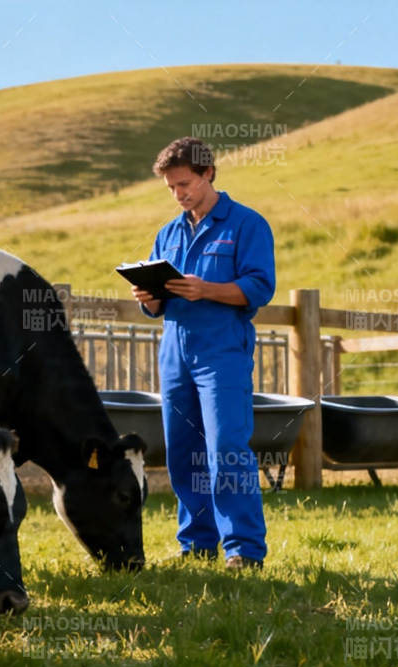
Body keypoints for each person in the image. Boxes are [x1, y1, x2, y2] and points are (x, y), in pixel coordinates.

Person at [131, 136, 275, 570]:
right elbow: (154, 306)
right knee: (182, 451)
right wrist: (148, 297)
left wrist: (205, 290)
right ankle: (197, 544)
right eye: (172, 188)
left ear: (208, 173)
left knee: (226, 447)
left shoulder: (246, 225)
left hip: (222, 352)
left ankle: (243, 549)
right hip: (173, 351)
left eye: (186, 184)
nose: (179, 194)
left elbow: (258, 287)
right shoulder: (168, 233)